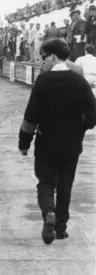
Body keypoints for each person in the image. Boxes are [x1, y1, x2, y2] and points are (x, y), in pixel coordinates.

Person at [18, 39, 96, 244]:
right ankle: (60, 227)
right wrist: (81, 127)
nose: (41, 62)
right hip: (72, 144)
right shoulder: (79, 81)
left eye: (43, 58)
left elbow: (30, 117)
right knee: (65, 185)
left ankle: (48, 213)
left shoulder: (43, 81)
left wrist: (24, 143)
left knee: (45, 182)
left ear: (53, 56)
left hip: (46, 142)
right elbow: (93, 113)